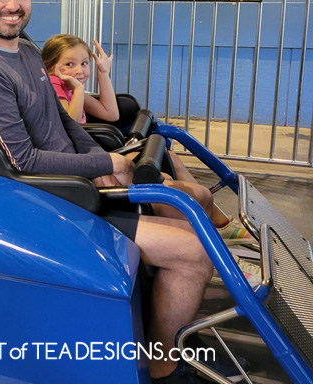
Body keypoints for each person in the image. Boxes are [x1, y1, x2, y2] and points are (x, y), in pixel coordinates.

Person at [0, 0, 236, 384]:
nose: (13, 5)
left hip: (76, 181)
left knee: (189, 205)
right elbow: (21, 161)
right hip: (51, 201)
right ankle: (161, 366)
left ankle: (158, 312)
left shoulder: (26, 51)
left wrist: (103, 160)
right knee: (195, 251)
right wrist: (103, 163)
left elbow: (64, 119)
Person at [41, 33, 255, 245]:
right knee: (161, 171)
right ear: (50, 68)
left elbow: (111, 113)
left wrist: (103, 73)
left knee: (167, 155)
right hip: (86, 159)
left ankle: (216, 221)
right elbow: (72, 122)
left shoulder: (70, 86)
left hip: (93, 153)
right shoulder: (54, 85)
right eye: (69, 64)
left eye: (84, 63)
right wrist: (78, 89)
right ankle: (212, 224)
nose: (79, 71)